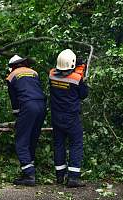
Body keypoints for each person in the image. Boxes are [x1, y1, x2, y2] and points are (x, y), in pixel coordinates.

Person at [49, 49, 88, 187]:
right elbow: (83, 94)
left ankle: (59, 176)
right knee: (75, 144)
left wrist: (77, 71)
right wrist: (82, 75)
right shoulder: (76, 79)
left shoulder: (51, 74)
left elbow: (64, 77)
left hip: (56, 116)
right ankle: (73, 178)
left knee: (59, 144)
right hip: (71, 117)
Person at [6, 55, 46, 186]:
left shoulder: (12, 76)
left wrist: (18, 115)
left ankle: (29, 174)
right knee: (32, 138)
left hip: (28, 106)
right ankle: (30, 168)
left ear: (12, 66)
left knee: (21, 140)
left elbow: (14, 100)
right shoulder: (34, 73)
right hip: (41, 105)